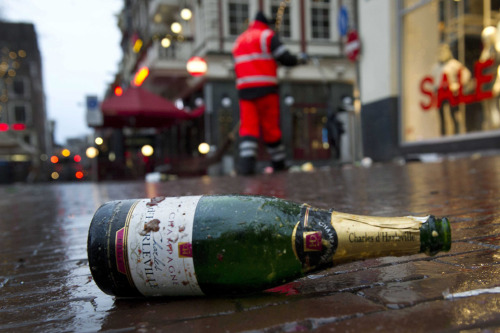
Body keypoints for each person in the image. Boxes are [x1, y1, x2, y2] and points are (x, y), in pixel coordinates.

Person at [232, 11, 307, 175]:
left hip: (245, 90)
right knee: (271, 127)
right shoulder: (267, 36)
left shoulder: (239, 40)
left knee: (248, 127)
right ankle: (278, 163)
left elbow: (236, 66)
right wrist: (300, 59)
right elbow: (285, 58)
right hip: (266, 88)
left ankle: (246, 166)